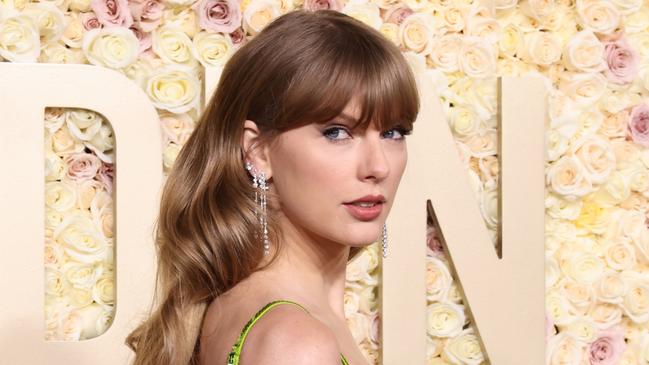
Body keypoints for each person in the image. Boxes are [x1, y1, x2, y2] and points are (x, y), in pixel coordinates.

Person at [126, 9, 420, 365]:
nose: (379, 166)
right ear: (258, 150)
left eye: (393, 132)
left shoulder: (238, 310)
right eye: (337, 132)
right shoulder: (297, 344)